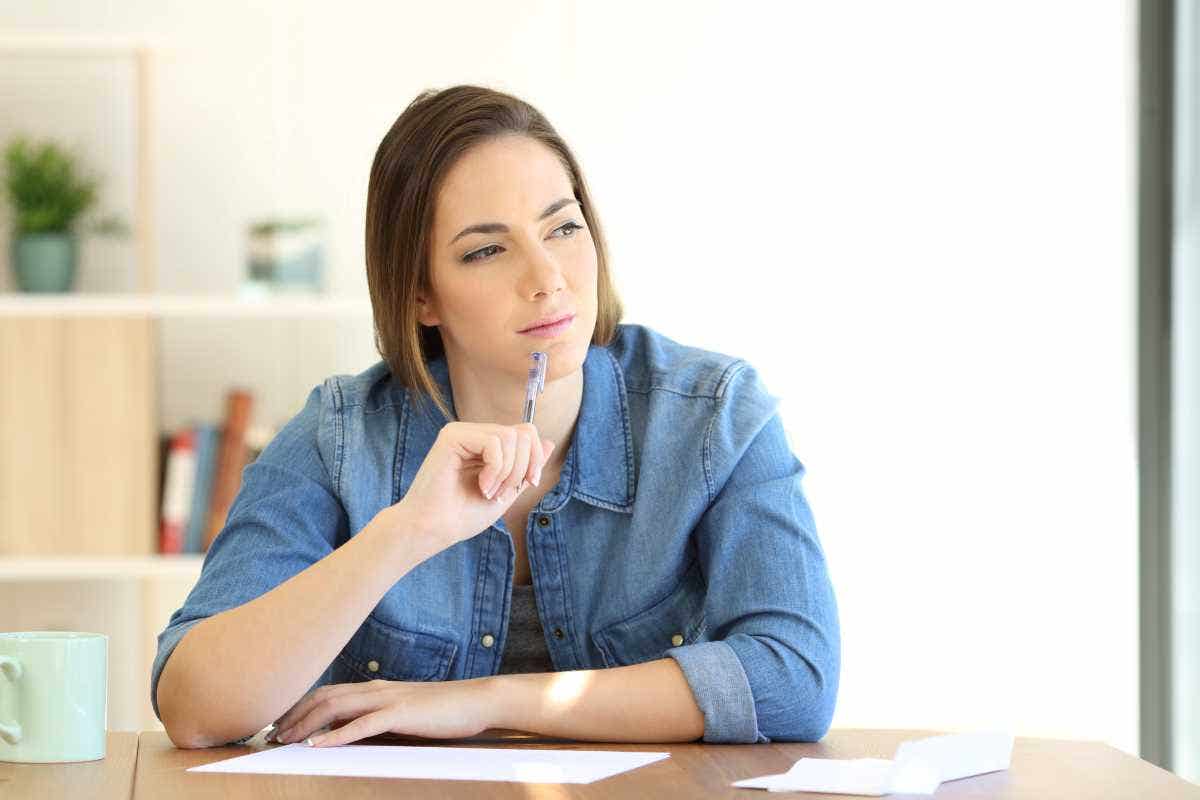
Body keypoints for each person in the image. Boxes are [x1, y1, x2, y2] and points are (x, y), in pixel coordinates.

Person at [152, 84, 840, 749]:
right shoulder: (338, 438)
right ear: (421, 293)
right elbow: (195, 710)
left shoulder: (713, 416)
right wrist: (404, 534)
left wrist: (486, 703)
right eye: (486, 249)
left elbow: (795, 680)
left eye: (563, 227)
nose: (548, 277)